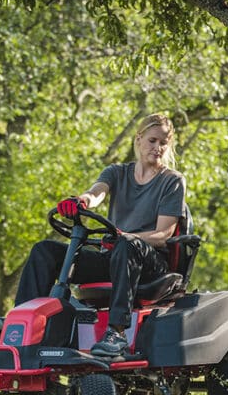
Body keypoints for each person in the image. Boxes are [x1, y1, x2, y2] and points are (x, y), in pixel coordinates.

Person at [13, 113, 187, 358]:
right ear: (139, 139)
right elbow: (97, 193)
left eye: (163, 143)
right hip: (115, 256)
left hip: (151, 263)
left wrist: (124, 236)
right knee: (45, 251)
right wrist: (82, 201)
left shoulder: (172, 181)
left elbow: (163, 234)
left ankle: (116, 332)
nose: (157, 148)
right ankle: (24, 323)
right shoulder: (117, 172)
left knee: (126, 244)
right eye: (152, 140)